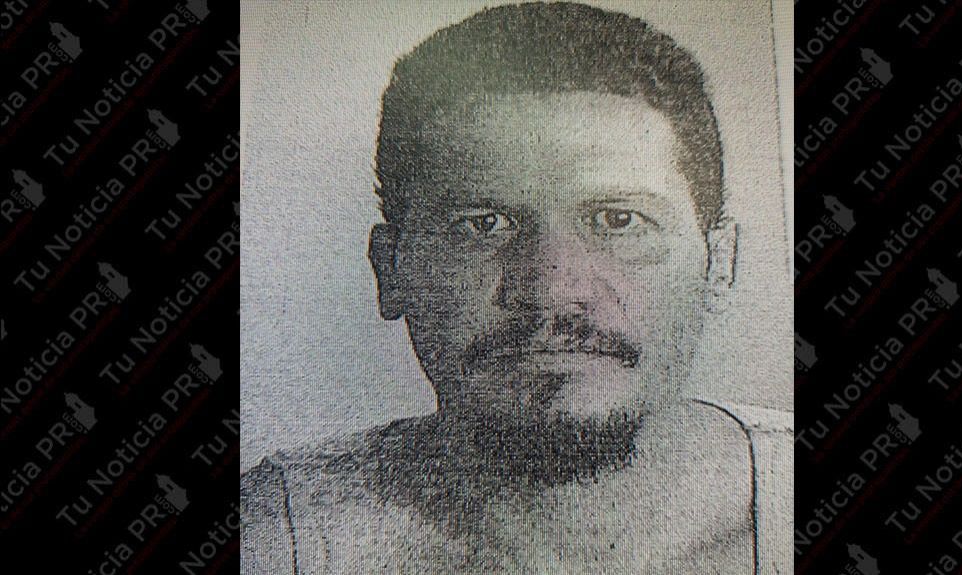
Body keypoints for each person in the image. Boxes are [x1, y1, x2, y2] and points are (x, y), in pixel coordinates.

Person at [242, 2, 791, 573]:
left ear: (718, 263)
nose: (550, 288)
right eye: (483, 225)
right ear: (391, 269)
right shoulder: (277, 543)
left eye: (618, 220)